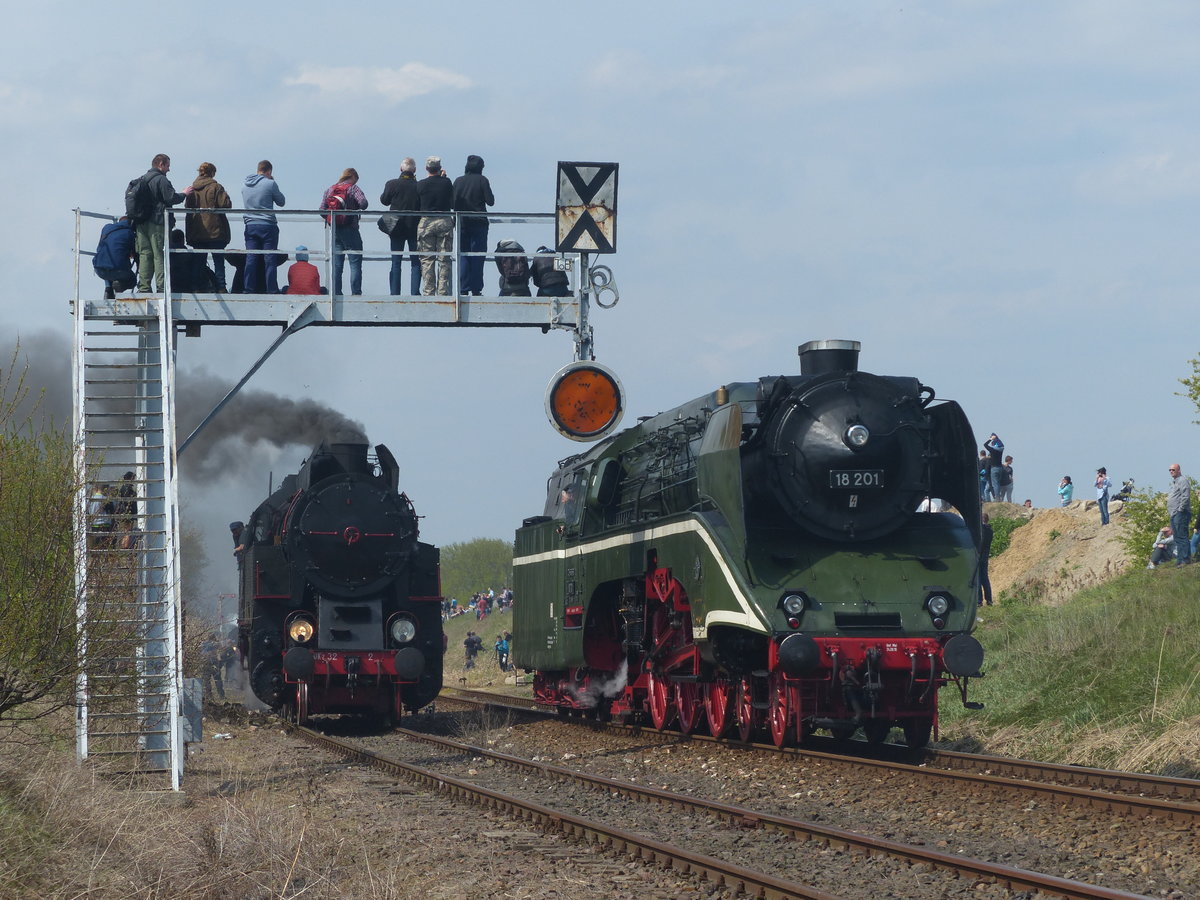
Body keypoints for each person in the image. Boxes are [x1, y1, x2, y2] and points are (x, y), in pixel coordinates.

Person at [132, 153, 185, 293]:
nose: (169, 169)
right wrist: (184, 194)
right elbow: (171, 198)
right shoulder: (161, 180)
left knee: (144, 254)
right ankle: (162, 288)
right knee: (159, 254)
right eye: (168, 165)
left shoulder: (142, 179)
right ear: (161, 164)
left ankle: (144, 287)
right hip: (157, 222)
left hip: (141, 222)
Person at [184, 162, 232, 291]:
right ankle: (221, 287)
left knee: (198, 261)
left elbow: (187, 208)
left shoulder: (191, 190)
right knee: (218, 261)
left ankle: (196, 286)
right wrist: (226, 195)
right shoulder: (216, 187)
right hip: (215, 230)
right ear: (212, 173)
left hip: (197, 231)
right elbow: (225, 205)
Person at [321, 167, 368, 296]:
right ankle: (356, 293)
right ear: (352, 176)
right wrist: (354, 208)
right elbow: (364, 203)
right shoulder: (353, 188)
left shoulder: (330, 189)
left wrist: (331, 220)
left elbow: (321, 210)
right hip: (351, 229)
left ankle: (336, 293)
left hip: (335, 230)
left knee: (337, 264)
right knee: (355, 262)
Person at [242, 160, 286, 294]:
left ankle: (248, 289)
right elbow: (281, 202)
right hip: (267, 225)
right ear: (269, 171)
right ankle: (271, 290)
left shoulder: (245, 185)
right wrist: (272, 181)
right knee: (270, 259)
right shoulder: (270, 183)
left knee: (251, 258)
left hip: (250, 225)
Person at [452, 155, 495, 296]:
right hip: (479, 223)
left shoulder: (458, 181)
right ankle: (476, 289)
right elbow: (490, 201)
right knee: (478, 256)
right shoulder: (482, 180)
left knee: (463, 255)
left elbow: (452, 203)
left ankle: (463, 288)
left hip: (462, 223)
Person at [379, 157, 422, 296]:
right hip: (414, 227)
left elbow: (384, 201)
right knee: (416, 262)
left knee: (396, 262)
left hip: (395, 227)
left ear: (400, 169)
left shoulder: (392, 184)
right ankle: (415, 293)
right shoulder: (419, 186)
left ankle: (394, 293)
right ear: (414, 170)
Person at [417, 156, 455, 296]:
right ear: (439, 168)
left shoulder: (420, 184)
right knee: (444, 259)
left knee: (427, 259)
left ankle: (428, 292)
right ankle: (443, 292)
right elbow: (451, 199)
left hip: (426, 222)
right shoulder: (446, 182)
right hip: (444, 221)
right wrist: (444, 177)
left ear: (426, 168)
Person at [93, 217, 137, 298]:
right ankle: (119, 286)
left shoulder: (106, 228)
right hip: (118, 271)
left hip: (99, 269)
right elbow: (134, 253)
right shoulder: (129, 233)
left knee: (108, 262)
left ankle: (108, 289)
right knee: (132, 280)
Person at [1166, 463, 1191, 566]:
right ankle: (1180, 559)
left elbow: (1185, 496)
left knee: (1182, 536)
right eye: (1170, 470)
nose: (1171, 471)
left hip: (1181, 513)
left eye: (1173, 470)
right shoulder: (1175, 482)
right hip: (1174, 514)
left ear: (1179, 470)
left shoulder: (1182, 480)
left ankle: (1185, 559)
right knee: (1177, 538)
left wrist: (1180, 510)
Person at [984, 433, 1005, 503]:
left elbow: (985, 445)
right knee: (997, 483)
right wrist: (996, 438)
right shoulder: (1001, 450)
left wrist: (990, 439)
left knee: (995, 484)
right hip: (1000, 468)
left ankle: (997, 498)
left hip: (994, 468)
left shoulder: (993, 450)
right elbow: (1000, 443)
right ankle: (998, 497)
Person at [979, 512, 993, 606]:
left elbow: (980, 542)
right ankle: (989, 599)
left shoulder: (982, 530)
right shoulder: (990, 530)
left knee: (978, 579)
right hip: (986, 555)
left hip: (979, 555)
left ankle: (979, 601)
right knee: (985, 578)